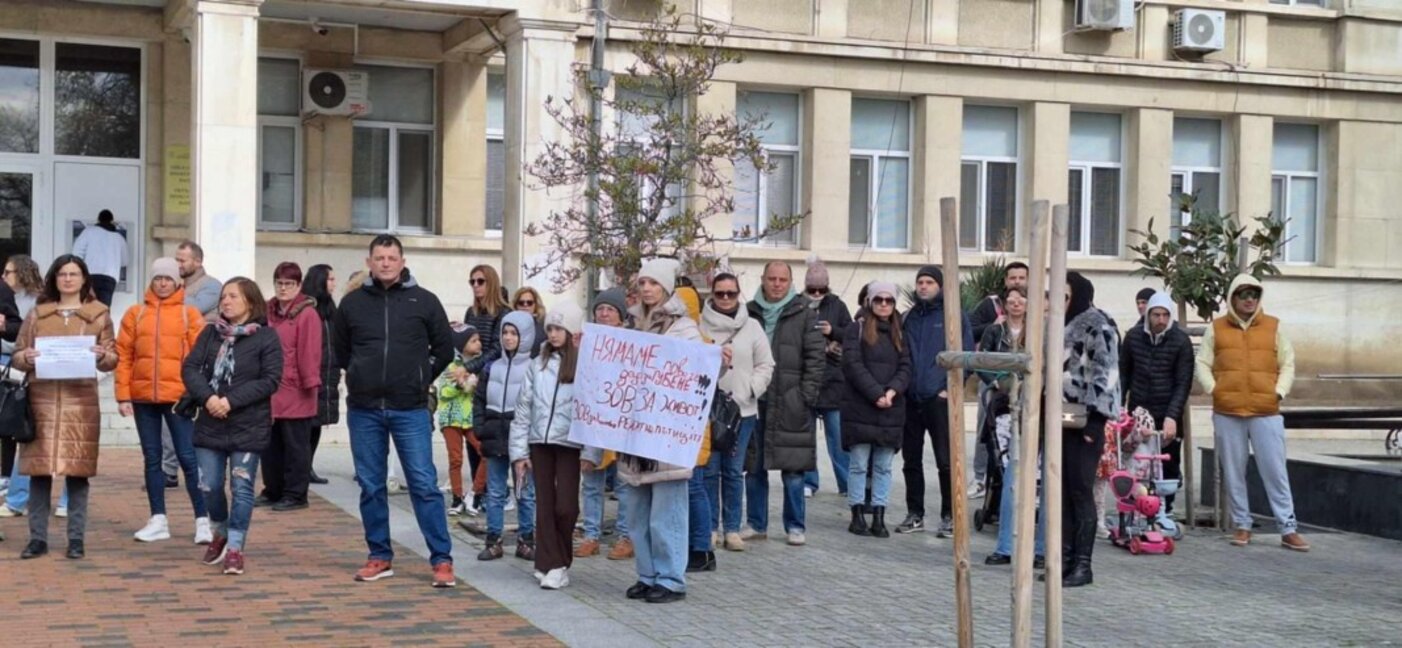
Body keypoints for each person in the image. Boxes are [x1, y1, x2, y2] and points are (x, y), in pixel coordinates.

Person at [333, 235, 457, 588]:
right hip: (365, 409)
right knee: (371, 485)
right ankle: (379, 556)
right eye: (379, 258)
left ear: (402, 261)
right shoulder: (352, 304)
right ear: (369, 262)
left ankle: (442, 560)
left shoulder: (425, 301)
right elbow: (340, 351)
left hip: (410, 409)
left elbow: (445, 349)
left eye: (391, 257)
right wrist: (359, 373)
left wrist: (419, 380)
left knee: (423, 484)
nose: (385, 263)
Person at [12, 255, 118, 560]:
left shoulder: (99, 315)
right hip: (41, 401)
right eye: (62, 274)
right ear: (54, 279)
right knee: (39, 473)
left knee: (78, 474)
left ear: (84, 279)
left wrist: (101, 355)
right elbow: (19, 353)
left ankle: (76, 539)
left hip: (79, 403)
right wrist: (26, 358)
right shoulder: (37, 315)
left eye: (73, 274)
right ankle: (37, 539)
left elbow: (113, 357)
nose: (68, 279)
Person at [1195, 274, 1308, 552]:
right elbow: (1202, 362)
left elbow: (1288, 363)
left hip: (1266, 411)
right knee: (1234, 471)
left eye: (1254, 295)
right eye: (1244, 294)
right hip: (1227, 410)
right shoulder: (1217, 328)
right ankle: (1242, 525)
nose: (1249, 300)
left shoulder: (1273, 327)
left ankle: (1287, 527)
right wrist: (1215, 389)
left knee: (1275, 470)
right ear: (1233, 297)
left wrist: (1278, 392)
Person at [182, 277, 284, 575]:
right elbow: (190, 368)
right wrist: (209, 398)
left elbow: (270, 380)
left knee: (241, 488)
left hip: (247, 426)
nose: (225, 302)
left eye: (233, 297)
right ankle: (221, 530)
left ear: (250, 302)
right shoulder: (211, 334)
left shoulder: (266, 337)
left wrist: (230, 401)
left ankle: (236, 547)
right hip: (210, 423)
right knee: (210, 486)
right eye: (224, 297)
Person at [619, 258, 701, 604]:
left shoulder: (684, 328)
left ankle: (670, 578)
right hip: (635, 431)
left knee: (666, 513)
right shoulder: (632, 325)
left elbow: (696, 370)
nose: (647, 288)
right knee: (637, 512)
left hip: (667, 432)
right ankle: (647, 573)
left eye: (654, 282)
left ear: (667, 287)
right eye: (643, 282)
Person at [116, 257, 210, 544]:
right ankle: (158, 518)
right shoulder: (135, 314)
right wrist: (122, 395)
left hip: (178, 398)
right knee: (152, 458)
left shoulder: (189, 314)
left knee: (188, 457)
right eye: (158, 278)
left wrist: (196, 393)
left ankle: (203, 520)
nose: (163, 283)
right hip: (144, 397)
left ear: (177, 281)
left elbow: (201, 358)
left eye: (168, 279)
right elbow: (124, 355)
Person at [743, 261, 824, 547]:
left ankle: (795, 526)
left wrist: (805, 397)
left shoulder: (804, 313)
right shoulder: (749, 312)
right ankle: (756, 523)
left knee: (793, 469)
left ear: (790, 282)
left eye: (782, 279)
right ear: (763, 279)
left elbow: (816, 359)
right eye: (772, 279)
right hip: (755, 400)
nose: (777, 284)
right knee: (753, 467)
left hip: (792, 402)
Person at [510, 303, 587, 590]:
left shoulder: (583, 365)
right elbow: (523, 409)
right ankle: (551, 563)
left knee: (566, 507)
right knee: (544, 504)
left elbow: (592, 409)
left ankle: (557, 560)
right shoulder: (537, 364)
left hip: (569, 443)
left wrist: (590, 452)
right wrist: (519, 452)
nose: (553, 335)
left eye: (559, 329)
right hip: (539, 442)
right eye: (550, 329)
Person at [700, 274, 773, 553]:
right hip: (708, 409)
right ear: (713, 295)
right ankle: (709, 527)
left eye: (731, 293)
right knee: (709, 470)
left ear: (739, 294)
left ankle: (732, 528)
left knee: (733, 470)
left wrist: (751, 389)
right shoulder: (699, 325)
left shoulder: (752, 326)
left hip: (742, 410)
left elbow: (766, 364)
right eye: (721, 293)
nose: (726, 299)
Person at [1056, 272, 1121, 587]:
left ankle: (1083, 565)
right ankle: (1065, 561)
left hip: (1086, 417)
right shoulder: (1060, 323)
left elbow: (1106, 375)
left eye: (1065, 294)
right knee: (1064, 490)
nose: (1060, 300)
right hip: (1063, 415)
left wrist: (1096, 422)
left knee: (1081, 490)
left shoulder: (1098, 325)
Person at [898, 265, 973, 537]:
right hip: (911, 400)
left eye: (929, 282)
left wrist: (950, 389)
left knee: (945, 461)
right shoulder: (909, 318)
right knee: (911, 461)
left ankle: (950, 516)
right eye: (920, 282)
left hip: (940, 400)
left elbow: (966, 357)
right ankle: (915, 514)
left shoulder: (953, 317)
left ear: (940, 286)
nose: (924, 287)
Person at [978, 287, 1047, 567]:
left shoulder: (1042, 332)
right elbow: (982, 360)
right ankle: (1006, 545)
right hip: (1007, 407)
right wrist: (996, 382)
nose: (1016, 303)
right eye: (1011, 299)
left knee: (1044, 482)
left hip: (1041, 409)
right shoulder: (996, 332)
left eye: (1022, 298)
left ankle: (1041, 549)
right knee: (1011, 477)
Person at [840, 282, 911, 539]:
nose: (883, 304)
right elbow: (852, 364)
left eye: (888, 300)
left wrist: (891, 391)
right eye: (878, 299)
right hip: (861, 406)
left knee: (883, 466)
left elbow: (906, 366)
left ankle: (879, 514)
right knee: (858, 464)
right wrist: (876, 393)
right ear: (870, 302)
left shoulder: (901, 331)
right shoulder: (855, 328)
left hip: (891, 408)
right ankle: (857, 513)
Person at [1120, 291, 1193, 513]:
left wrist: (1173, 415)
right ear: (1148, 315)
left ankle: (1165, 509)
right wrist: (1120, 409)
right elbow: (1124, 375)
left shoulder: (1181, 341)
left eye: (1165, 315)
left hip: (1167, 412)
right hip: (1139, 411)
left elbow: (1183, 382)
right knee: (1137, 461)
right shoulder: (1133, 337)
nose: (1160, 320)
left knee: (1167, 462)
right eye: (1156, 315)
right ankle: (1137, 506)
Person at [258, 262, 323, 512]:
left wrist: (309, 383)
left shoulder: (307, 314)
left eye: (289, 284)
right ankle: (273, 489)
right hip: (271, 388)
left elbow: (310, 352)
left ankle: (296, 494)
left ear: (298, 286)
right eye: (279, 283)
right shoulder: (268, 311)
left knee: (296, 445)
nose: (283, 288)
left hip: (297, 389)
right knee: (270, 444)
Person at [474, 311, 538, 561]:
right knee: (495, 491)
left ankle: (526, 539)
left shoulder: (533, 367)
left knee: (525, 491)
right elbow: (479, 399)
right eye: (505, 332)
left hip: (520, 436)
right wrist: (480, 427)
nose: (509, 338)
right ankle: (493, 540)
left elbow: (536, 404)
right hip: (493, 433)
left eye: (514, 333)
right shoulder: (492, 367)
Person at [577, 288, 635, 560]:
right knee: (591, 480)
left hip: (623, 422)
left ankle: (625, 536)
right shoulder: (586, 342)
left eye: (610, 309)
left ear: (621, 315)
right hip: (593, 420)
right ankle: (591, 535)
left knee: (624, 483)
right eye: (600, 309)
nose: (604, 313)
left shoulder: (634, 343)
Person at [967, 261, 1030, 498]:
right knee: (987, 428)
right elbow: (979, 356)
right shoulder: (994, 327)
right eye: (1012, 278)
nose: (1017, 282)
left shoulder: (1034, 327)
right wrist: (993, 381)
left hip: (1025, 388)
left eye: (1021, 278)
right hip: (994, 385)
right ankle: (981, 478)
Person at [801, 257, 853, 498]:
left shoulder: (838, 305)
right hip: (807, 379)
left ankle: (846, 482)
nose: (818, 294)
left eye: (822, 289)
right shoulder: (798, 304)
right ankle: (809, 482)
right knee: (806, 437)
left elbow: (852, 335)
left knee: (838, 437)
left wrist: (833, 333)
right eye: (813, 289)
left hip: (834, 381)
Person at [1, 254, 41, 514]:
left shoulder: (36, 301)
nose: (4, 277)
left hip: (24, 367)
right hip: (8, 361)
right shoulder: (6, 297)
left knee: (18, 423)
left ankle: (17, 490)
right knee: (6, 420)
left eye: (9, 272)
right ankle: (6, 478)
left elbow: (24, 338)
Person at [435, 324, 482, 516]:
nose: (478, 343)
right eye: (473, 340)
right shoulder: (450, 364)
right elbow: (444, 392)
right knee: (455, 459)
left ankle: (475, 494)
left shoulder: (479, 364)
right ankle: (457, 497)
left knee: (484, 452)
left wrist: (473, 385)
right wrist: (461, 385)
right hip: (451, 418)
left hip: (470, 417)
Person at [301, 264, 339, 484]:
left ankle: (308, 467)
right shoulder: (308, 307)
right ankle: (300, 468)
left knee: (317, 424)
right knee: (305, 425)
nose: (334, 283)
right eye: (330, 279)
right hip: (312, 373)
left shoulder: (330, 308)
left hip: (328, 373)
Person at [70, 210, 128, 306]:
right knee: (104, 310)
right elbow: (125, 261)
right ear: (112, 221)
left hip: (90, 276)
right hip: (110, 278)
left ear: (98, 219)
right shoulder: (119, 238)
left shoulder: (88, 232)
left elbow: (76, 254)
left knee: (87, 308)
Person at [462, 265, 510, 376]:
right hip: (470, 372)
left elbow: (497, 349)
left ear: (491, 283)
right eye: (472, 282)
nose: (475, 285)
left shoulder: (504, 312)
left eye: (480, 281)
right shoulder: (471, 312)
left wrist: (469, 367)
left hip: (493, 372)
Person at [177, 241, 222, 321]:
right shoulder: (180, 285)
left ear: (198, 262)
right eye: (177, 260)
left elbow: (196, 309)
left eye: (182, 261)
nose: (178, 265)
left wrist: (172, 293)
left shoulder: (212, 285)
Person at [512, 287, 548, 356]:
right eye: (521, 303)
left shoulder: (543, 324)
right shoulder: (508, 324)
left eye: (529, 302)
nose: (525, 305)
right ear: (516, 305)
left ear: (535, 305)